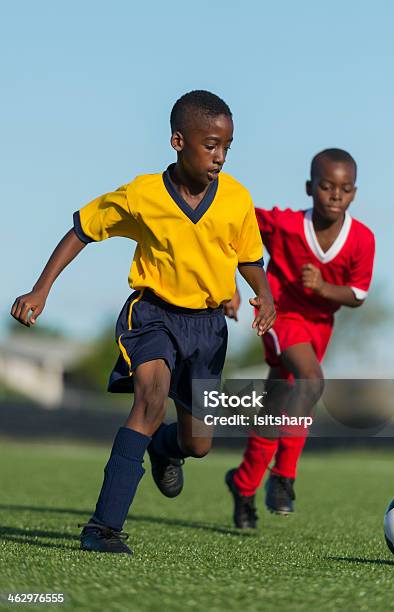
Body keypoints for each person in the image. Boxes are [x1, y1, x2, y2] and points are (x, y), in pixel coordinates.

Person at [11, 90, 276, 554]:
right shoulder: (143, 194)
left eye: (227, 147)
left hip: (209, 328)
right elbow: (81, 230)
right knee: (150, 403)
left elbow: (250, 258)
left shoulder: (236, 199)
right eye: (210, 145)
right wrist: (41, 288)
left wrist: (265, 294)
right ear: (178, 141)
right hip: (151, 316)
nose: (219, 157)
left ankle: (163, 447)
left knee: (199, 444)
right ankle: (103, 528)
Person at [224, 148, 375, 528]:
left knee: (277, 407)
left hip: (318, 328)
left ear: (354, 193)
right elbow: (232, 225)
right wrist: (230, 284)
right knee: (310, 380)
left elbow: (357, 295)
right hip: (279, 317)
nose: (335, 195)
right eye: (326, 186)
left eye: (344, 188)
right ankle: (284, 476)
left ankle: (243, 485)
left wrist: (324, 287)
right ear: (310, 188)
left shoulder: (362, 239)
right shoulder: (285, 225)